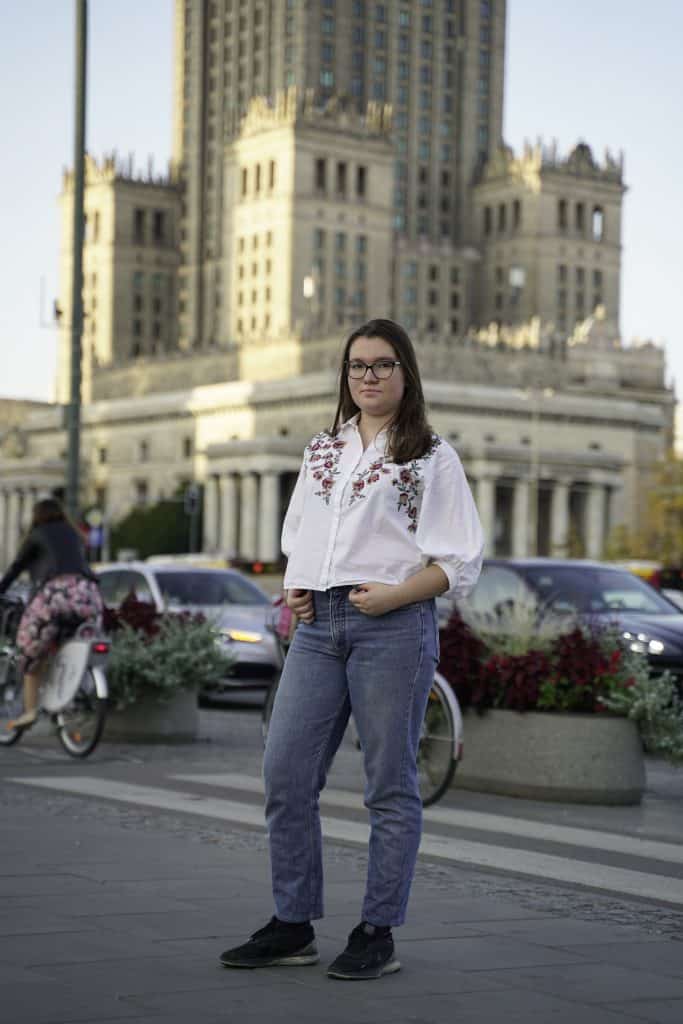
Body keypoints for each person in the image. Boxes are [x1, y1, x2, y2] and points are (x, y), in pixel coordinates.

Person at [220, 318, 484, 981]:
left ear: (405, 374)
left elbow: (458, 562)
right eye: (356, 366)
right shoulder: (322, 450)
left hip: (391, 627)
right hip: (317, 627)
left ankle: (376, 931)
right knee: (284, 776)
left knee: (388, 787)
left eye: (381, 365)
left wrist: (393, 596)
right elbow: (297, 533)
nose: (367, 376)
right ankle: (292, 923)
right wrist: (296, 586)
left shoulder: (429, 455)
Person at [0, 497, 102, 729]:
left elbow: (16, 567)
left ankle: (29, 712)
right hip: (88, 594)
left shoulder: (38, 534)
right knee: (69, 641)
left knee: (29, 648)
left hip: (56, 595)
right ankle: (70, 692)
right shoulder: (74, 534)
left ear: (37, 516)